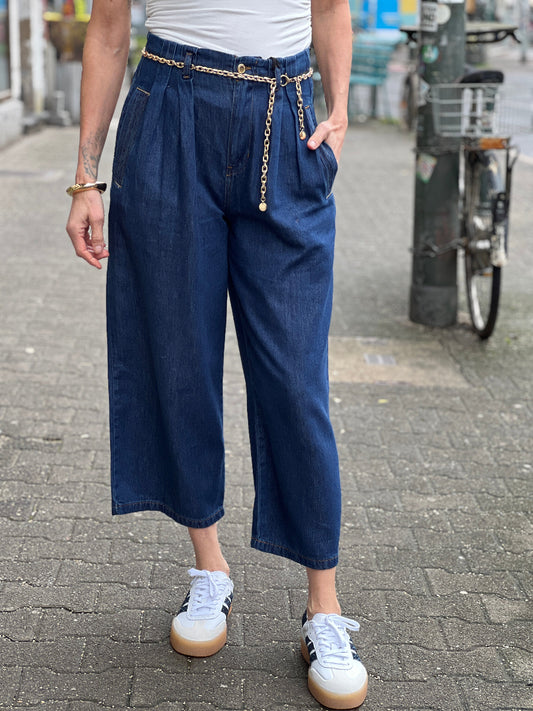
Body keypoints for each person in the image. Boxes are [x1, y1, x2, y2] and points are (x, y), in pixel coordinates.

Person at [66, 0, 368, 707]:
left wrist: (340, 110)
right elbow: (107, 30)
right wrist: (86, 177)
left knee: (295, 379)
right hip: (168, 109)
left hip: (284, 117)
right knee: (176, 360)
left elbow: (331, 8)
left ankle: (323, 605)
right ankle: (209, 566)